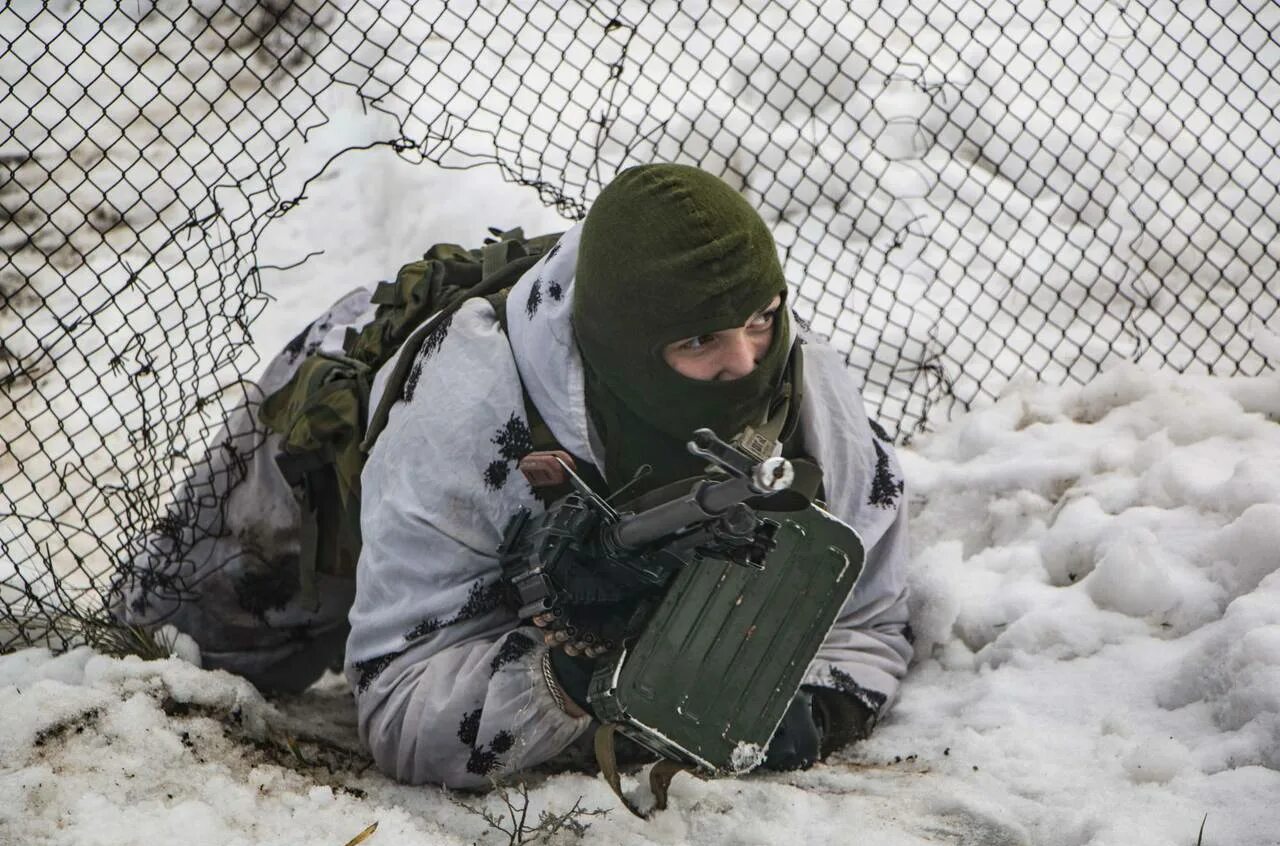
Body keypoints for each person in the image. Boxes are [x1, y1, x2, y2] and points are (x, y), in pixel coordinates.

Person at [113, 163, 911, 786]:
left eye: (759, 319)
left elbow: (869, 619)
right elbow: (395, 712)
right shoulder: (464, 407)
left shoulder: (807, 394)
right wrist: (568, 664)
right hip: (321, 459)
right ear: (631, 346)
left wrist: (802, 718)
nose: (745, 362)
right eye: (701, 340)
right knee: (175, 659)